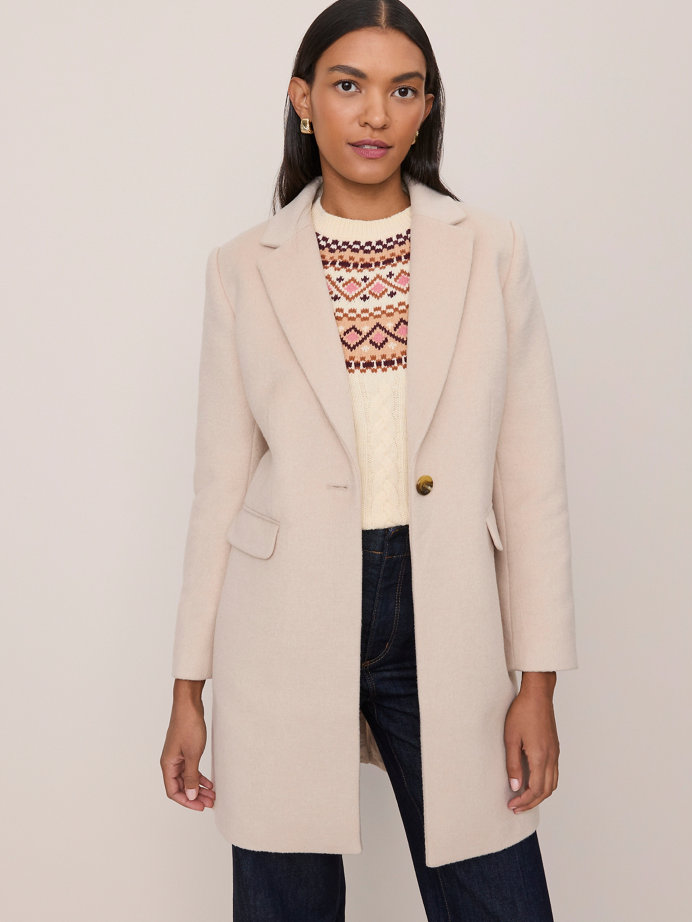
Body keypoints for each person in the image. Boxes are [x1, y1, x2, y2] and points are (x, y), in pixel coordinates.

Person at [160, 1, 578, 919]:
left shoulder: (490, 251)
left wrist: (537, 681)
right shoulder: (243, 266)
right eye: (348, 86)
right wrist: (188, 688)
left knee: (498, 893)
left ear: (427, 108)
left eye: (404, 90)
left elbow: (531, 482)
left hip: (444, 606)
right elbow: (218, 487)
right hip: (281, 616)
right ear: (303, 99)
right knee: (285, 900)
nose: (376, 114)